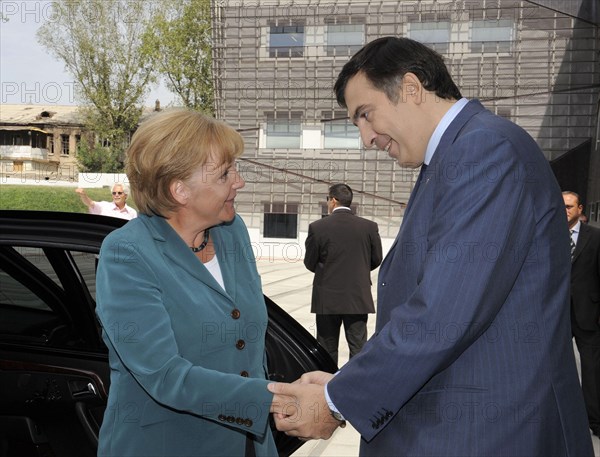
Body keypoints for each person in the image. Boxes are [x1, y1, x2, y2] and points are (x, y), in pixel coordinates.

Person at [268, 37, 594, 456]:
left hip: (491, 432)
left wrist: (336, 401)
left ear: (411, 87)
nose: (366, 138)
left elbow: (444, 310)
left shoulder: (483, 150)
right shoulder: (455, 156)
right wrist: (342, 384)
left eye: (365, 115)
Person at [95, 109, 277, 457]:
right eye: (225, 173)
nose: (239, 182)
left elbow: (247, 342)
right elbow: (164, 375)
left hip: (248, 445)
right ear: (180, 190)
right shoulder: (126, 254)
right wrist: (277, 400)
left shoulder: (231, 231)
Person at [304, 183, 382, 366]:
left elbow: (309, 262)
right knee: (358, 347)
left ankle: (327, 387)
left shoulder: (318, 227)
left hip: (327, 298)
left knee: (326, 348)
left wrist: (328, 271)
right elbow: (376, 259)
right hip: (357, 296)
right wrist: (358, 272)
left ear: (333, 200)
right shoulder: (369, 227)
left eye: (327, 200)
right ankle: (356, 386)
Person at [563, 191, 600, 437]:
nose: (564, 210)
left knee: (593, 370)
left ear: (580, 209)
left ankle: (595, 420)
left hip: (589, 314)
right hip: (559, 316)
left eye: (568, 206)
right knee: (558, 368)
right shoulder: (548, 235)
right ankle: (562, 417)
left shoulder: (595, 237)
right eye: (561, 206)